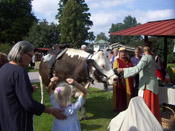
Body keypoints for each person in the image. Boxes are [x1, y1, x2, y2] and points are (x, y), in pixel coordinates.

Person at [0, 41, 66, 131]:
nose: (31, 60)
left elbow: (9, 92)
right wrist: (51, 111)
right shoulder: (19, 72)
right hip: (19, 123)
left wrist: (29, 89)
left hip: (6, 121)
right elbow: (29, 104)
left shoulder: (4, 69)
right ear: (21, 53)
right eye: (30, 56)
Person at [117, 42, 161, 122]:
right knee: (152, 108)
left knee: (146, 107)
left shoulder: (146, 58)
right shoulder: (152, 57)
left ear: (143, 50)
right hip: (151, 84)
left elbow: (137, 69)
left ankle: (146, 123)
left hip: (147, 85)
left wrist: (122, 70)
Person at [112, 47, 134, 112]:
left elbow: (132, 68)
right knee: (121, 95)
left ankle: (129, 107)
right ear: (119, 53)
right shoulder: (117, 60)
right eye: (121, 52)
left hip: (129, 80)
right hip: (121, 81)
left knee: (130, 94)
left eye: (124, 52)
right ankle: (120, 108)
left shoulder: (129, 60)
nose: (123, 54)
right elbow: (115, 70)